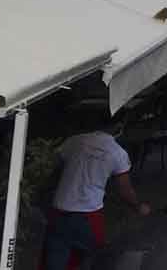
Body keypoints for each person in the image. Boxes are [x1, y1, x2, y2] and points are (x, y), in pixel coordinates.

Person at [44, 110, 150, 270]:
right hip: (87, 214)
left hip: (59, 210)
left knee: (56, 262)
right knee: (100, 256)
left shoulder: (74, 141)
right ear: (120, 125)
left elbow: (52, 168)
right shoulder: (117, 153)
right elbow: (125, 190)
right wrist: (138, 206)